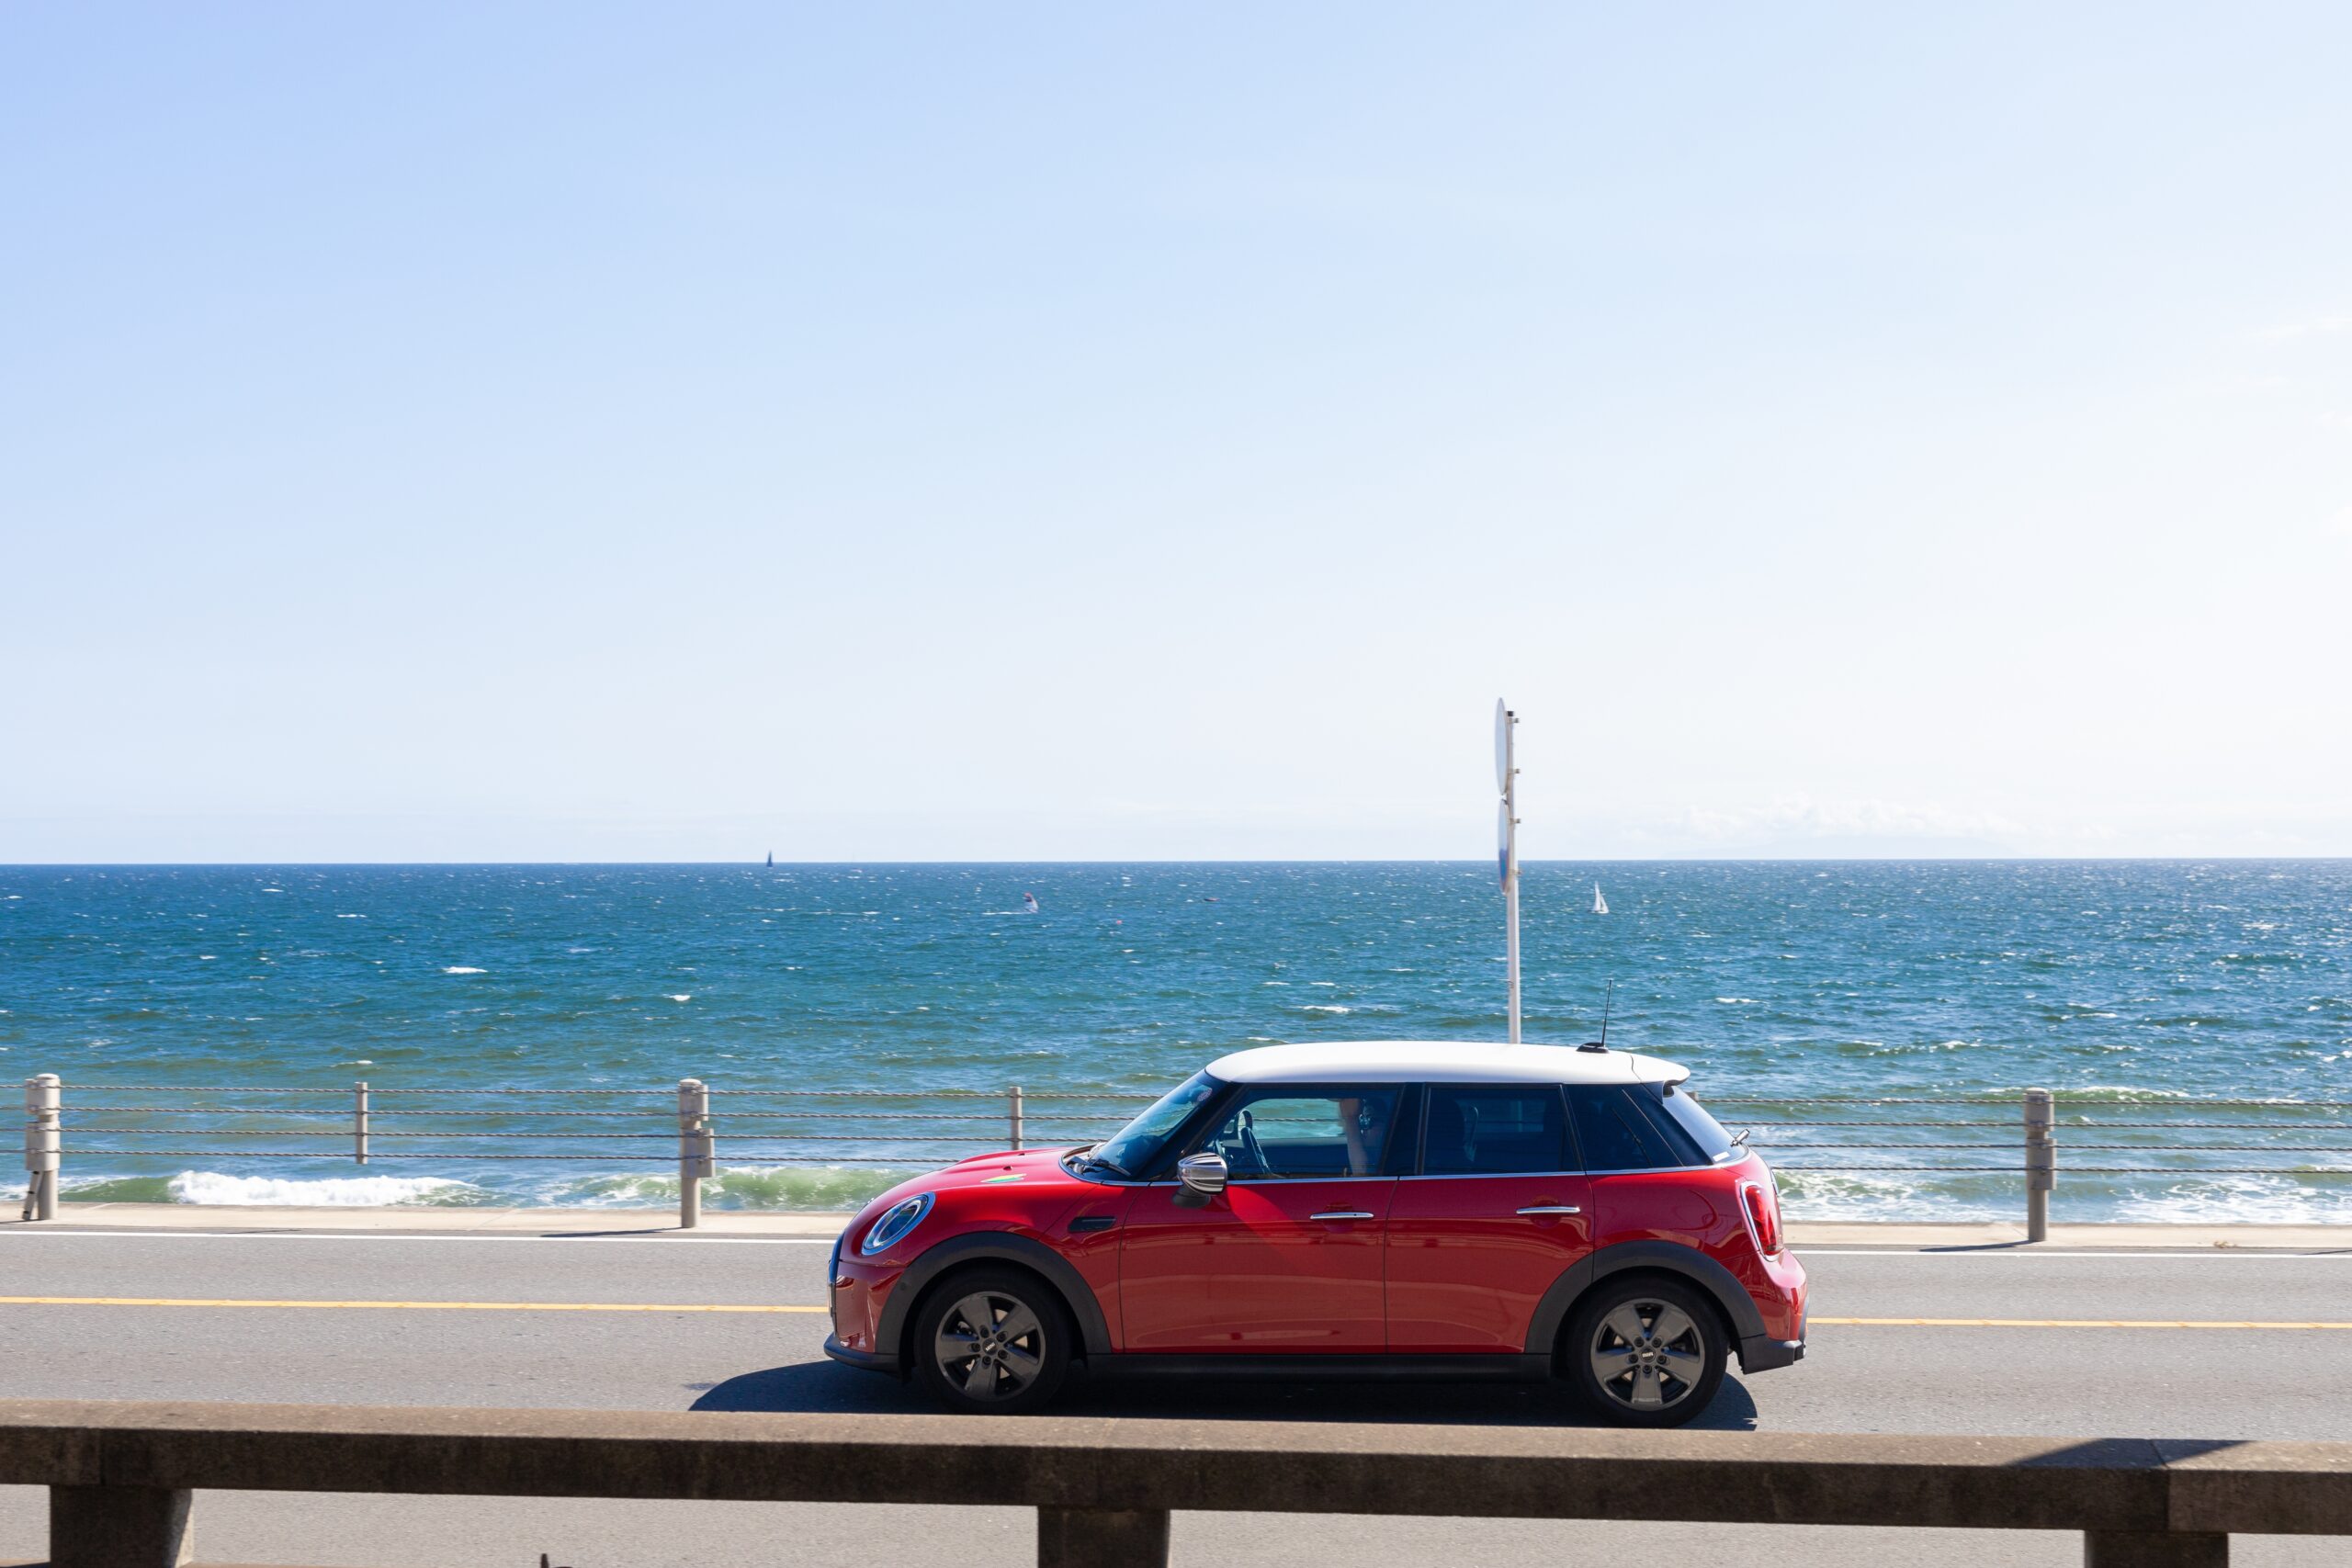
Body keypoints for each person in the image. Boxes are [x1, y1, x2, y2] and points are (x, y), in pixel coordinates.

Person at [1337, 1093, 1393, 1176]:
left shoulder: (1393, 1161)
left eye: (1369, 1120)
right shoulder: (1374, 1156)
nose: (1363, 1129)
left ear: (1388, 1124)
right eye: (1362, 1120)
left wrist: (1350, 1118)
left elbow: (1362, 1174)